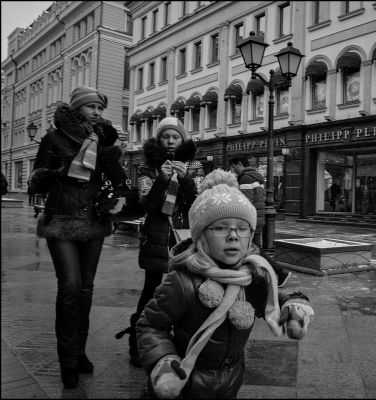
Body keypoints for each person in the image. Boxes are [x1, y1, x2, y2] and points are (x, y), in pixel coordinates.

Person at [136, 169, 314, 399]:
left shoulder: (251, 276)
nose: (233, 236)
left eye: (242, 228)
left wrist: (293, 305)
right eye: (220, 228)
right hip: (183, 386)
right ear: (201, 236)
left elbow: (271, 300)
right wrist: (164, 360)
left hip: (229, 383)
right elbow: (150, 325)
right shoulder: (183, 281)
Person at [27, 86, 128, 389]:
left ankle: (79, 351)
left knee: (85, 289)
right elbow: (36, 181)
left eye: (100, 107)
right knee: (70, 287)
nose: (98, 112)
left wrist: (119, 195)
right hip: (61, 222)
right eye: (92, 107)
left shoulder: (104, 140)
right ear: (77, 108)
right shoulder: (53, 138)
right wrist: (61, 171)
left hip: (94, 223)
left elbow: (119, 180)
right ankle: (67, 360)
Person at [115, 117, 200, 368]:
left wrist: (185, 180)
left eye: (176, 136)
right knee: (151, 291)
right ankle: (139, 345)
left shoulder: (194, 166)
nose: (171, 140)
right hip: (157, 235)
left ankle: (182, 345)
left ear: (183, 139)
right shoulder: (147, 168)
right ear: (159, 140)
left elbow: (198, 204)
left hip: (184, 236)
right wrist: (162, 179)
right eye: (166, 136)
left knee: (188, 291)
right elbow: (147, 205)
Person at [228, 155, 291, 287]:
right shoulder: (256, 176)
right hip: (259, 218)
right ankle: (263, 274)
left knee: (255, 250)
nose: (234, 171)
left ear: (239, 163)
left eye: (234, 168)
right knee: (254, 249)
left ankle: (280, 272)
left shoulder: (245, 178)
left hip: (251, 220)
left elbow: (245, 202)